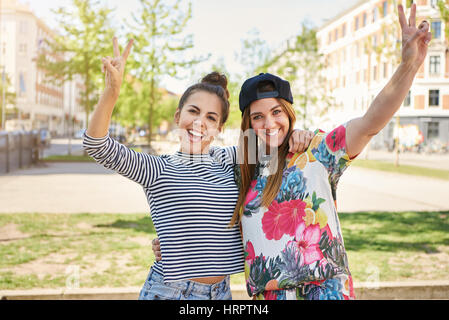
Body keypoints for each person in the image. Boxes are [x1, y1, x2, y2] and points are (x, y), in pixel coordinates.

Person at [153, 3, 431, 300]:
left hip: (325, 292)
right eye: (258, 116)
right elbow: (204, 204)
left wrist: (408, 66)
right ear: (248, 123)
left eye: (276, 112)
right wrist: (175, 240)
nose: (269, 123)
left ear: (288, 113)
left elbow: (370, 123)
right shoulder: (243, 166)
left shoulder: (317, 151)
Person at [83, 37, 314, 300]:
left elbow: (274, 139)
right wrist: (111, 93)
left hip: (221, 293)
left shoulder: (231, 161)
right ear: (178, 116)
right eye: (193, 111)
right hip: (171, 292)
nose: (200, 123)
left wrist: (300, 135)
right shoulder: (158, 169)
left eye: (211, 117)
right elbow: (97, 145)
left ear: (219, 128)